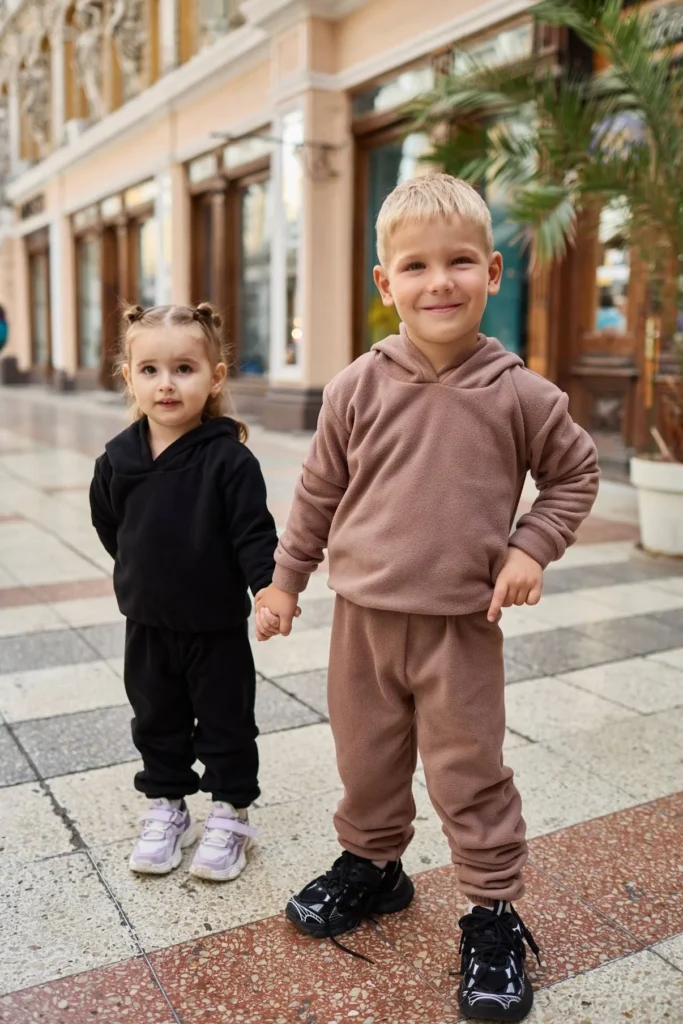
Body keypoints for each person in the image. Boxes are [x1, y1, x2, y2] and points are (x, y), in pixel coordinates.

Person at [255, 174, 599, 1022]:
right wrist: (286, 581)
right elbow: (317, 493)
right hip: (363, 623)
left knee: (468, 772)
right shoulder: (354, 387)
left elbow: (574, 475)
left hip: (459, 631)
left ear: (492, 272)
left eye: (458, 263)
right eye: (414, 266)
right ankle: (375, 868)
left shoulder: (521, 394)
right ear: (385, 283)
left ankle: (490, 910)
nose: (437, 282)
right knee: (365, 760)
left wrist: (529, 545)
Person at [90, 303, 279, 882]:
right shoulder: (116, 461)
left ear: (215, 378)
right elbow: (110, 525)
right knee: (156, 719)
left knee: (226, 722)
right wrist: (141, 573)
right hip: (147, 623)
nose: (166, 384)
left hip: (215, 626)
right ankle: (167, 807)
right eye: (150, 370)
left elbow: (253, 533)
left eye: (183, 369)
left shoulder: (230, 460)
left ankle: (229, 812)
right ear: (129, 378)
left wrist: (268, 589)